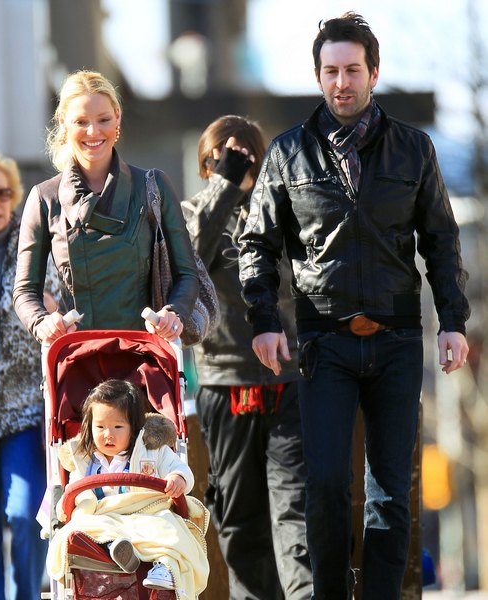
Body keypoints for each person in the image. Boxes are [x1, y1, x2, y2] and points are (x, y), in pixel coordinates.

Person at [239, 12, 470, 600]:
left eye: (352, 70)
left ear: (374, 73)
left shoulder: (414, 149)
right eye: (330, 71)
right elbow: (256, 246)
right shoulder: (289, 154)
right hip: (324, 343)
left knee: (391, 491)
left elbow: (441, 240)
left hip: (395, 340)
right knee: (325, 486)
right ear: (318, 77)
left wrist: (453, 323)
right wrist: (265, 324)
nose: (341, 82)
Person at [181, 115, 312, 600]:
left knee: (295, 509)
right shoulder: (191, 211)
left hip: (286, 378)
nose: (231, 163)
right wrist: (225, 186)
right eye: (219, 155)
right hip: (223, 382)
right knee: (238, 517)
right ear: (206, 163)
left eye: (243, 156)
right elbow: (187, 261)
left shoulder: (283, 211)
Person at [13, 69, 198, 344]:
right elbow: (25, 291)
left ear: (118, 118)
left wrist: (174, 313)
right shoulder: (44, 197)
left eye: (103, 120)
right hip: (77, 355)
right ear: (63, 123)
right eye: (81, 121)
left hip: (145, 353)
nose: (93, 131)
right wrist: (41, 322)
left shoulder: (154, 186)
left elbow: (187, 273)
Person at [47, 379, 209, 596]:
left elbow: (179, 468)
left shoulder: (152, 451)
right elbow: (77, 492)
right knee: (81, 528)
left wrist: (177, 477)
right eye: (100, 427)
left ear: (133, 428)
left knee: (169, 528)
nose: (108, 434)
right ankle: (115, 549)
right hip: (104, 516)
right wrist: (76, 503)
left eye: (118, 426)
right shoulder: (83, 459)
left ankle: (165, 567)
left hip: (144, 514)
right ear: (89, 426)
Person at [0, 149, 59, 600]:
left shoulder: (34, 244)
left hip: (24, 411)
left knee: (24, 512)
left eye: (1, 193)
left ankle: (27, 595)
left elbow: (58, 298)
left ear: (13, 197)